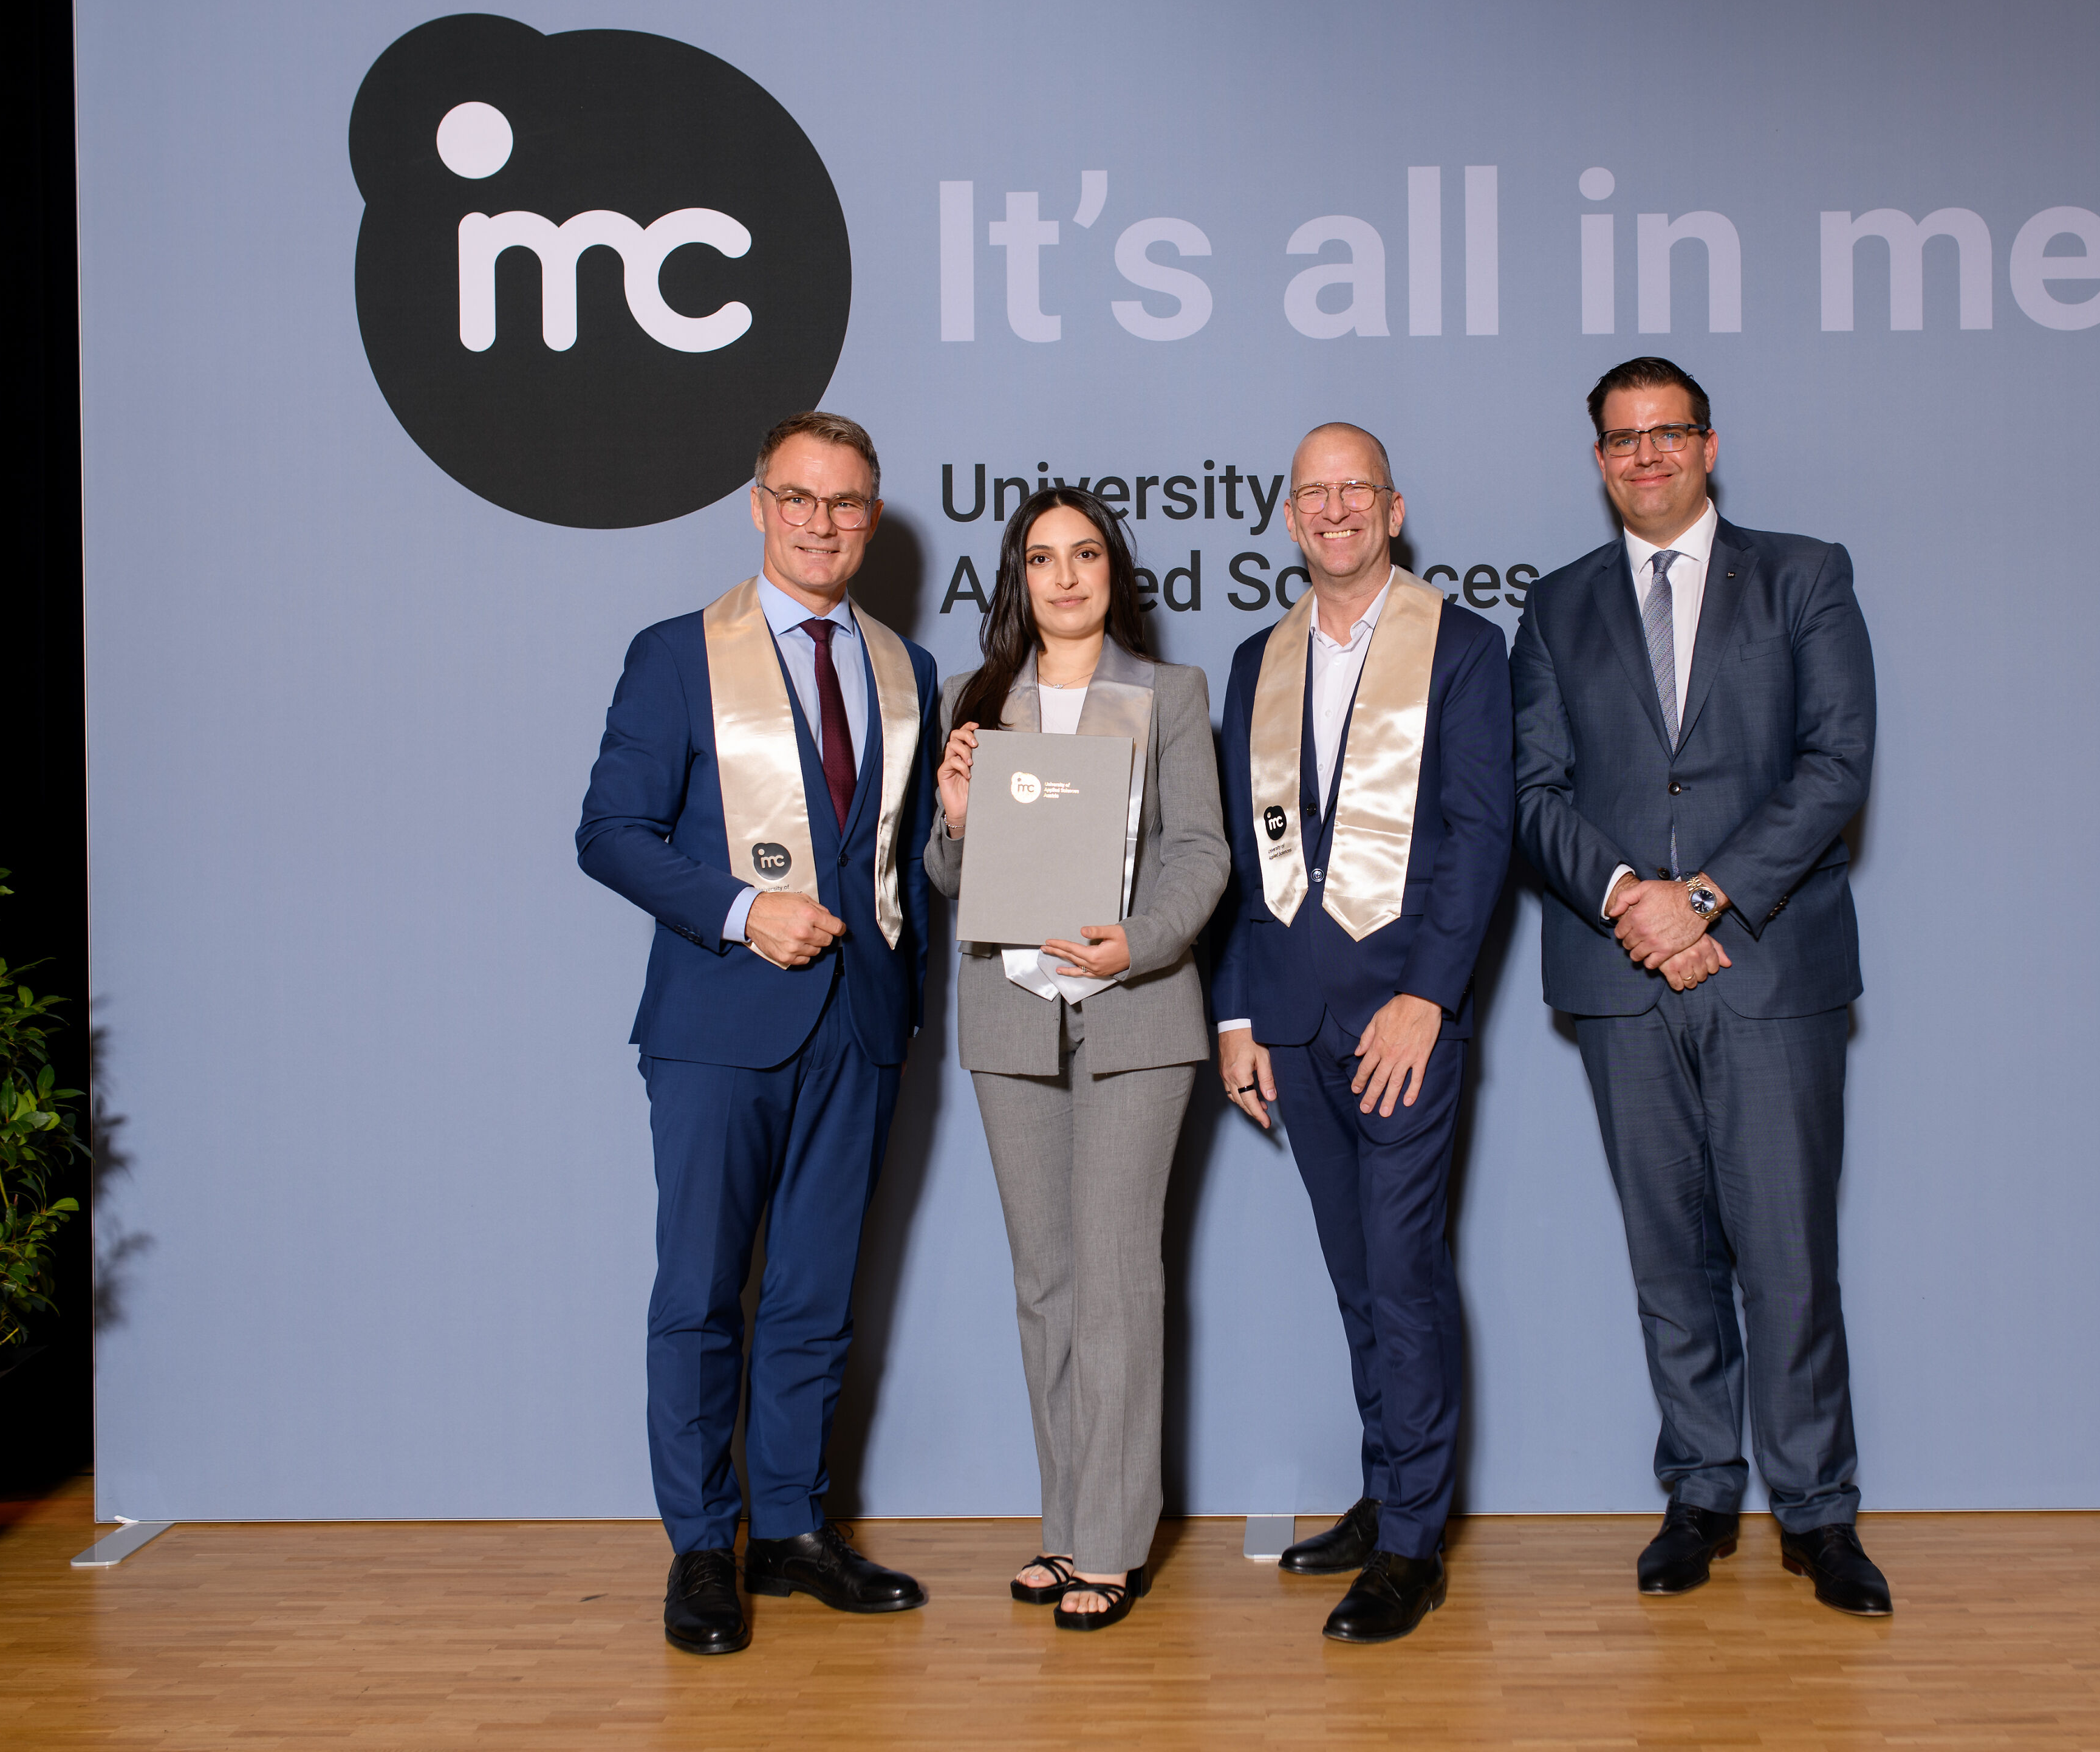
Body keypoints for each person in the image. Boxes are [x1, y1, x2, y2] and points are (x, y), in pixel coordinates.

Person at [1509, 357, 1890, 1616]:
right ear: (1599, 460)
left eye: (1668, 432)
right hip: (1623, 972)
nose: (1648, 455)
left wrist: (1707, 897)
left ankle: (1818, 1512)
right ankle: (1701, 1493)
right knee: (1668, 1259)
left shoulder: (1804, 575)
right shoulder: (1557, 606)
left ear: (1709, 445)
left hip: (1768, 968)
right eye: (1624, 439)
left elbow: (1836, 764)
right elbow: (1533, 791)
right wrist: (1634, 900)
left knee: (1788, 1257)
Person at [576, 411, 940, 1655]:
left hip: (860, 1026)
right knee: (700, 1296)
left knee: (816, 1296)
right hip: (719, 1023)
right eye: (799, 498)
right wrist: (742, 910)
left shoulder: (906, 668)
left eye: (845, 503)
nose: (821, 524)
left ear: (870, 517)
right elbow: (610, 833)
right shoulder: (678, 654)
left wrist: (909, 999)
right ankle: (702, 1546)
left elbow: (903, 859)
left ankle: (790, 1528)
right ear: (758, 506)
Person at [1210, 422, 1513, 1644]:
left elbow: (1481, 834)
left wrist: (1429, 996)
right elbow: (1245, 858)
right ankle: (1391, 1492)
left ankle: (1412, 1546)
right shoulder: (1259, 658)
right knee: (1356, 1280)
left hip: (1402, 1021)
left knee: (1404, 1273)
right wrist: (1237, 1010)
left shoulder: (1464, 647)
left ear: (1392, 509)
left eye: (1356, 491)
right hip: (1290, 1019)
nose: (1335, 510)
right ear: (1291, 518)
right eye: (1314, 494)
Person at [925, 487, 1228, 1631]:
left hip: (1136, 1011)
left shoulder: (1171, 694)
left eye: (1085, 554)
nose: (1065, 576)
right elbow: (948, 880)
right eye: (1043, 557)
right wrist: (958, 817)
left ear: (1113, 570)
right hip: (1013, 1016)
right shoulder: (972, 700)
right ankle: (1064, 1527)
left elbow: (1202, 851)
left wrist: (1139, 943)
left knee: (1117, 1279)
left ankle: (1111, 1541)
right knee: (1044, 1284)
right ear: (1019, 576)